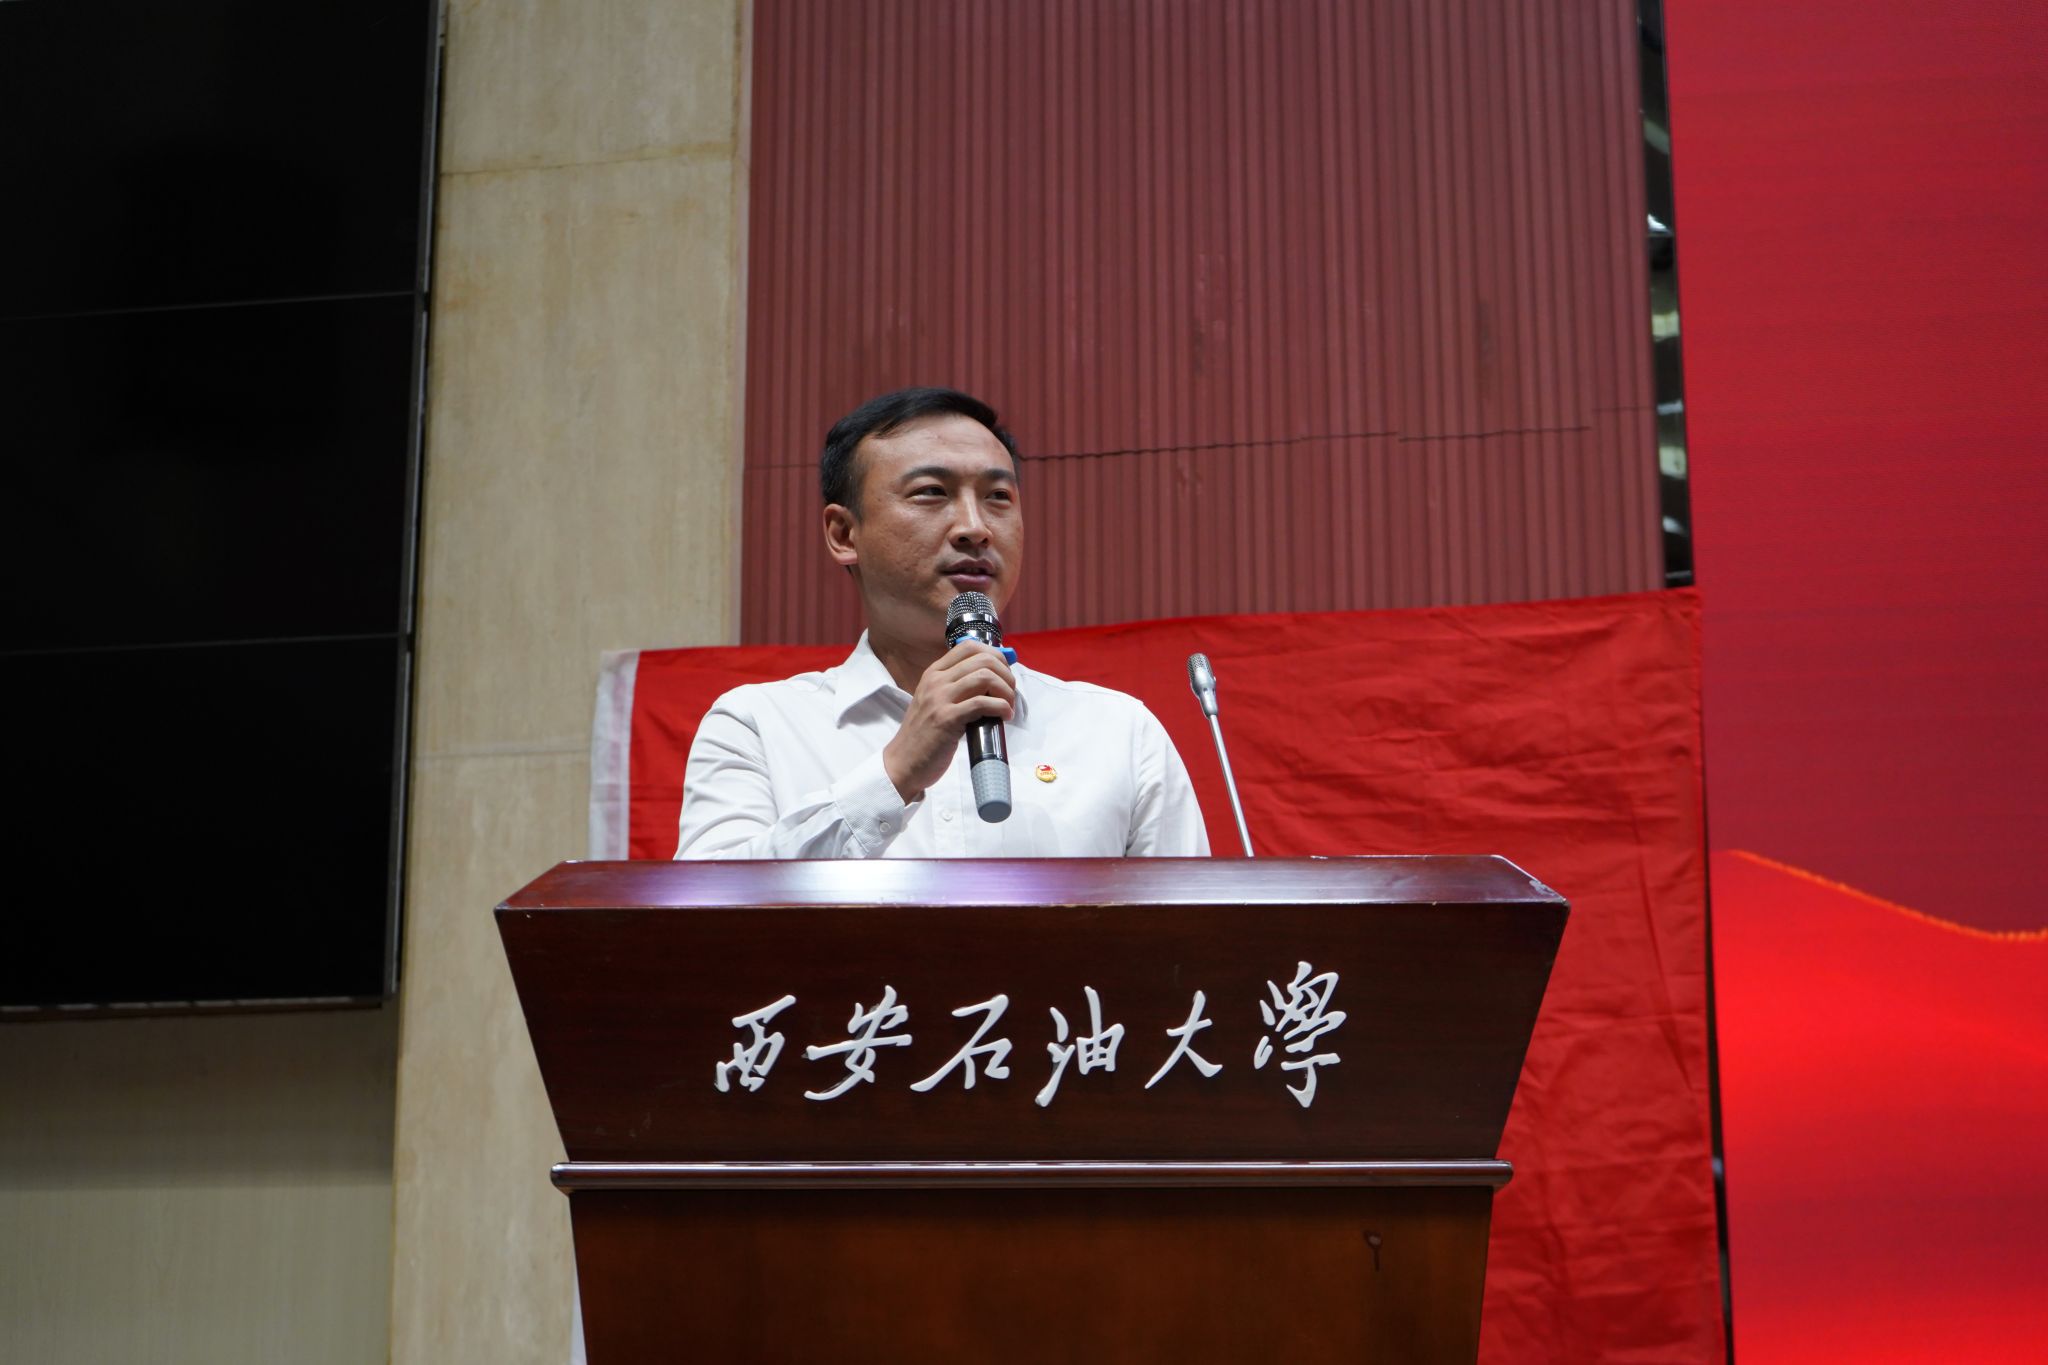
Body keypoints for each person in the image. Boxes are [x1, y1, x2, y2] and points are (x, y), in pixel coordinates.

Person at [675, 386, 1209, 859]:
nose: (975, 528)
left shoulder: (1117, 733)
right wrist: (895, 772)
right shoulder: (757, 725)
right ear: (843, 533)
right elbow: (707, 917)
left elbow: (1187, 931)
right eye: (932, 492)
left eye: (998, 497)